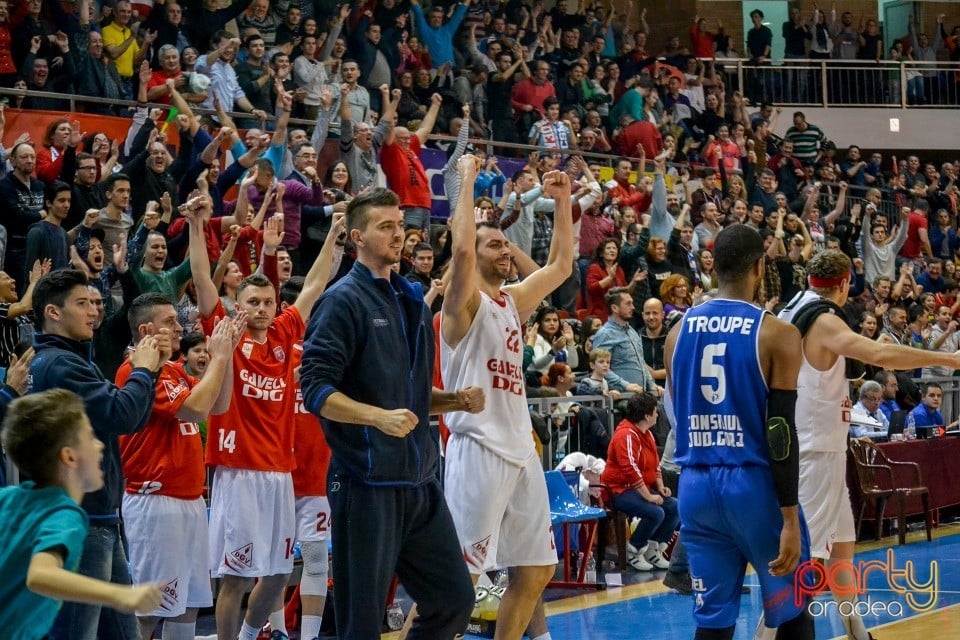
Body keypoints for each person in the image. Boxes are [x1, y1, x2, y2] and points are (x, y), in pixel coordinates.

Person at [300, 187, 480, 640]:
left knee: (454, 602)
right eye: (386, 227)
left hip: (419, 481)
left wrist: (454, 399)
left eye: (400, 226)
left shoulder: (411, 299)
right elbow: (316, 390)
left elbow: (412, 397)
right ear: (356, 237)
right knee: (362, 623)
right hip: (366, 483)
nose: (398, 235)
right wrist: (376, 417)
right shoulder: (342, 301)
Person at [778, 249, 960, 640]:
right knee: (806, 560)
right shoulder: (824, 319)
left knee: (843, 547)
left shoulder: (792, 306)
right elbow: (878, 353)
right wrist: (952, 360)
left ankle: (858, 631)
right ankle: (772, 633)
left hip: (815, 444)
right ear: (844, 284)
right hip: (814, 451)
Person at [186, 196, 340, 640]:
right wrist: (198, 228)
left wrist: (332, 236)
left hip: (280, 474)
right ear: (238, 304)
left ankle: (253, 635)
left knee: (276, 573)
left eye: (267, 301)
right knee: (234, 579)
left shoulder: (285, 332)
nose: (261, 308)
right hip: (238, 471)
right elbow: (200, 280)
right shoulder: (225, 331)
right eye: (252, 301)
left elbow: (312, 286)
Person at [440, 156, 574, 639]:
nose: (506, 249)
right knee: (459, 583)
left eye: (506, 243)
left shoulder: (510, 300)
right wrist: (468, 181)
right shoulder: (462, 303)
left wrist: (563, 201)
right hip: (478, 449)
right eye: (494, 243)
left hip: (520, 450)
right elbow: (460, 254)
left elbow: (561, 266)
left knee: (536, 570)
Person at [665, 224, 813, 639]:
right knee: (794, 610)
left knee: (713, 622)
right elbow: (780, 432)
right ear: (760, 267)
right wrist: (788, 518)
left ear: (714, 267)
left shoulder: (677, 333)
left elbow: (677, 413)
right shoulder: (778, 334)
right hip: (753, 487)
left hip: (695, 486)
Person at [28, 269, 163, 640]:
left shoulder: (69, 361)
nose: (94, 312)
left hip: (96, 519)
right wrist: (143, 371)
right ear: (53, 312)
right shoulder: (60, 365)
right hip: (80, 522)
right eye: (82, 303)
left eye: (95, 303)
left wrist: (149, 371)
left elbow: (125, 415)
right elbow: (121, 415)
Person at [117, 294, 241, 640]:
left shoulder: (172, 368)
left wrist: (226, 356)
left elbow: (220, 404)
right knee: (150, 609)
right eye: (170, 321)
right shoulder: (136, 370)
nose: (179, 327)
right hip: (156, 502)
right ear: (146, 329)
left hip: (189, 501)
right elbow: (196, 409)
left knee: (187, 605)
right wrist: (217, 356)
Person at [0, 389, 164, 640]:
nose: (100, 445)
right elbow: (40, 575)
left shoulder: (10, 498)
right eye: (90, 436)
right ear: (69, 456)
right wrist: (120, 594)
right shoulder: (64, 514)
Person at [601, 392, 678, 571]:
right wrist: (649, 497)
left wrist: (660, 487)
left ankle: (653, 550)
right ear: (646, 416)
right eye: (655, 412)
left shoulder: (647, 435)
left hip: (637, 489)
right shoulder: (625, 435)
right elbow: (631, 470)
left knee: (675, 507)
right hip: (618, 490)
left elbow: (655, 467)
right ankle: (633, 550)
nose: (657, 415)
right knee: (656, 512)